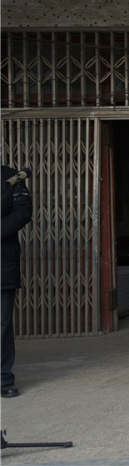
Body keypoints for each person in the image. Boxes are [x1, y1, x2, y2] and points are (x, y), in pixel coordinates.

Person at [2, 165, 31, 398]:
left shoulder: (11, 177)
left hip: (2, 261)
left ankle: (3, 378)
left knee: (1, 324)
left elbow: (22, 212)